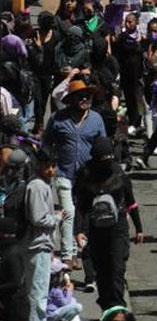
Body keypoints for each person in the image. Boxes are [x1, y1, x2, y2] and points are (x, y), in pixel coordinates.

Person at [73, 136, 142, 313]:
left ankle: (118, 308)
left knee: (117, 268)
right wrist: (79, 230)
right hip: (95, 228)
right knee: (102, 271)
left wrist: (139, 228)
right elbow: (80, 205)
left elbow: (131, 202)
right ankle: (106, 306)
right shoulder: (85, 174)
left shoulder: (119, 173)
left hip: (118, 227)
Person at [44, 79, 106, 267]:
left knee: (83, 215)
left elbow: (102, 146)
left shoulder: (96, 119)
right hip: (64, 173)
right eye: (80, 96)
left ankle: (81, 253)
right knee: (68, 212)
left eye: (88, 96)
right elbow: (46, 144)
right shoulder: (57, 118)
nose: (85, 99)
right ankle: (67, 255)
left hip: (87, 176)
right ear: (71, 99)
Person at [23, 149, 60, 321]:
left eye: (53, 165)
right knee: (37, 293)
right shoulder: (37, 186)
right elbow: (38, 218)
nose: (51, 170)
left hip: (41, 245)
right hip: (37, 245)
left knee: (38, 292)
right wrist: (56, 218)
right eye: (48, 165)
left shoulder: (42, 184)